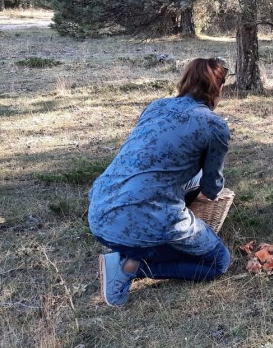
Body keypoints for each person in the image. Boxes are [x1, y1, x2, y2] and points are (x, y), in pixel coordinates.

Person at [89, 57, 232, 306]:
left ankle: (130, 254)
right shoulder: (215, 125)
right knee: (218, 263)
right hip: (144, 217)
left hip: (101, 213)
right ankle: (130, 267)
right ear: (218, 88)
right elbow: (211, 189)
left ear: (185, 81)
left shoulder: (156, 106)